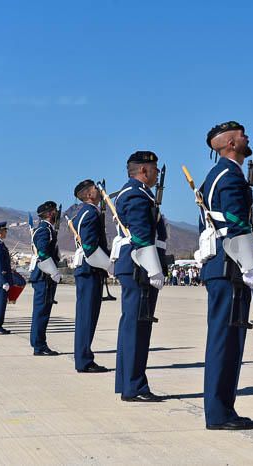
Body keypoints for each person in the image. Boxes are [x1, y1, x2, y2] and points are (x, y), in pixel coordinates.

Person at [199, 121, 253, 430]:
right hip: (229, 265)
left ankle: (222, 408)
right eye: (242, 134)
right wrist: (250, 265)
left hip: (221, 265)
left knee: (225, 339)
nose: (247, 137)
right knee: (226, 340)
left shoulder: (217, 175)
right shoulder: (230, 177)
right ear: (230, 144)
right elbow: (236, 226)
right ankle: (219, 412)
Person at [113, 151, 165, 402]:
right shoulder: (136, 194)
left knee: (131, 325)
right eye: (154, 169)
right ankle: (134, 386)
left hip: (134, 265)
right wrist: (154, 268)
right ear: (144, 171)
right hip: (139, 266)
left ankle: (127, 383)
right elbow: (142, 235)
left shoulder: (132, 192)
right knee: (137, 326)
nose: (156, 174)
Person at [72, 180, 112, 373]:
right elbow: (89, 246)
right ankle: (84, 360)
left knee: (85, 316)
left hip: (88, 270)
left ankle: (83, 357)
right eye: (96, 189)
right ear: (89, 195)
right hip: (90, 269)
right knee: (87, 317)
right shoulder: (90, 213)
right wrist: (109, 265)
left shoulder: (84, 212)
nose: (100, 191)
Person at [29, 201, 62, 356]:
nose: (56, 214)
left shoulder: (46, 228)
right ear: (49, 214)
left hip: (44, 275)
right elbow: (43, 253)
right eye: (55, 211)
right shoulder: (44, 230)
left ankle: (39, 343)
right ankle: (39, 345)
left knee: (42, 311)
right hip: (44, 275)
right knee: (41, 312)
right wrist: (53, 271)